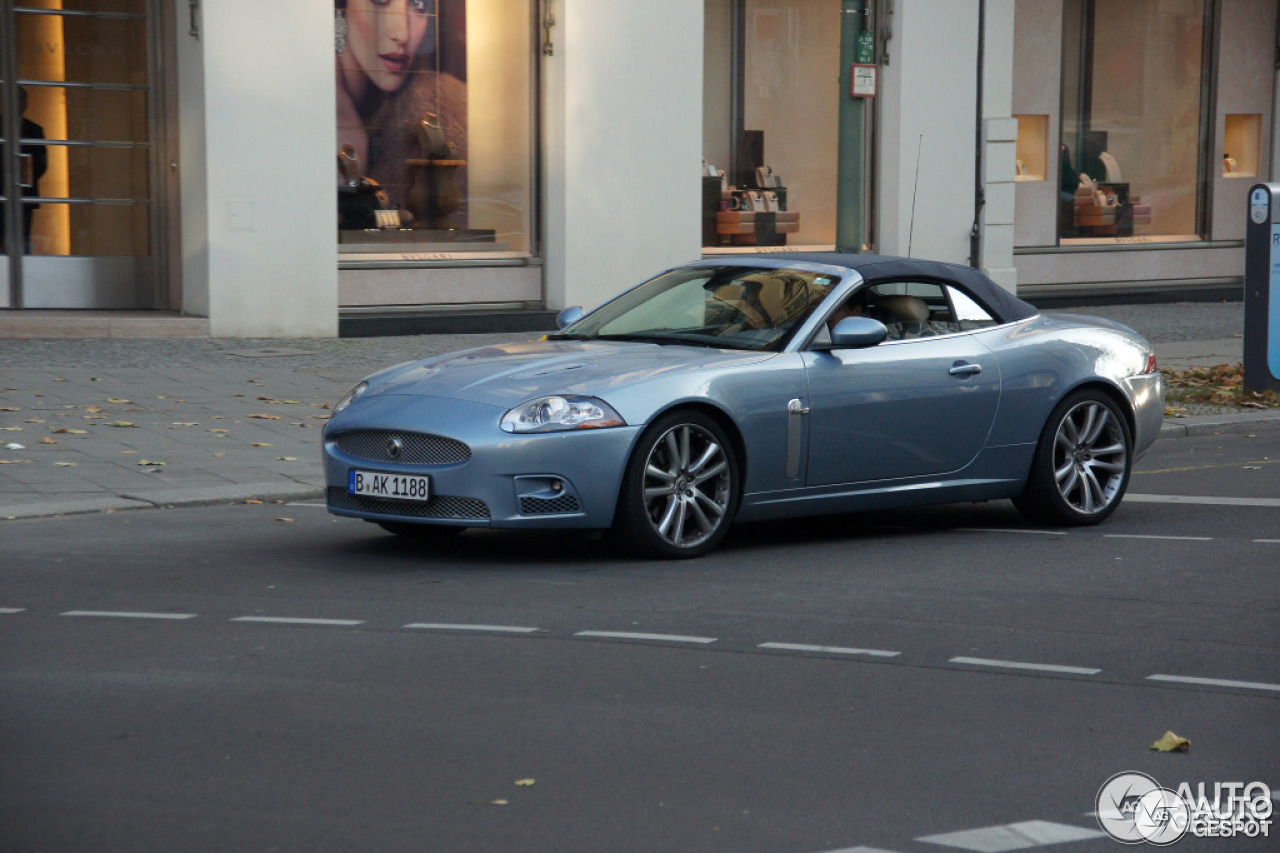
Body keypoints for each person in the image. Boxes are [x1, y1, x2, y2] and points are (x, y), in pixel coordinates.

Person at [335, 0, 467, 222]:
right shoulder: (332, 128)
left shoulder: (437, 102)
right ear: (340, 7)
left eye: (418, 4)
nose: (402, 34)